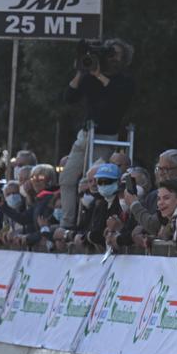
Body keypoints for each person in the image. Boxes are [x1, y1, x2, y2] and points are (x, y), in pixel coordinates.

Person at [58, 38, 135, 231]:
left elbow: (117, 98)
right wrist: (81, 71)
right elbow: (69, 97)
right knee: (67, 179)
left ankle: (90, 225)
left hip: (104, 137)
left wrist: (99, 75)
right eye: (109, 54)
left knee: (93, 183)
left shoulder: (124, 81)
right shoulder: (91, 76)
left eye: (115, 54)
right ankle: (67, 224)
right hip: (85, 136)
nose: (111, 58)